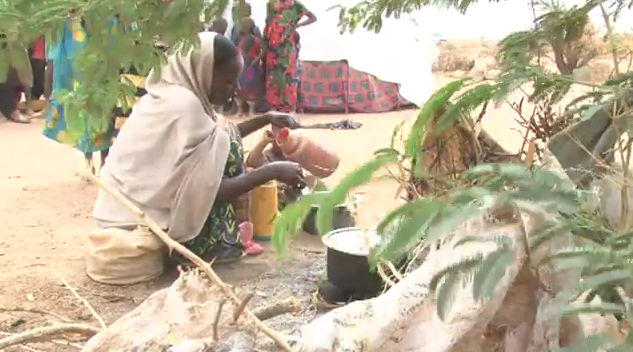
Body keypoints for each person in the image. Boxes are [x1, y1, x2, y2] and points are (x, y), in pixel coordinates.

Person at [87, 33, 305, 285]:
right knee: (226, 152)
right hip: (136, 222)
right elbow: (209, 191)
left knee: (223, 142)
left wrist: (266, 118)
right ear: (201, 71)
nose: (235, 90)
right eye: (227, 82)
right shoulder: (184, 106)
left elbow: (217, 136)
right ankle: (214, 246)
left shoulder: (168, 94)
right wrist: (272, 171)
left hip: (116, 212)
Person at [44, 17, 116, 175]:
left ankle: (99, 160)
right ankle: (94, 160)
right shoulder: (67, 22)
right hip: (81, 48)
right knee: (89, 103)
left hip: (97, 41)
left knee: (100, 102)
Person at [263, 0, 316, 113]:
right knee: (273, 77)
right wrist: (265, 43)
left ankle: (288, 107)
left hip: (286, 46)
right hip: (272, 45)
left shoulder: (295, 5)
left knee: (287, 75)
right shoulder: (271, 3)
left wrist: (297, 25)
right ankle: (274, 107)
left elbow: (313, 18)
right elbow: (268, 22)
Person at [235, 17, 264, 116]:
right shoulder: (242, 39)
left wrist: (255, 60)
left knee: (250, 87)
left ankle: (250, 110)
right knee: (241, 86)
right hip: (243, 66)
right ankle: (241, 110)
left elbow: (261, 52)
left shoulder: (254, 40)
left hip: (250, 66)